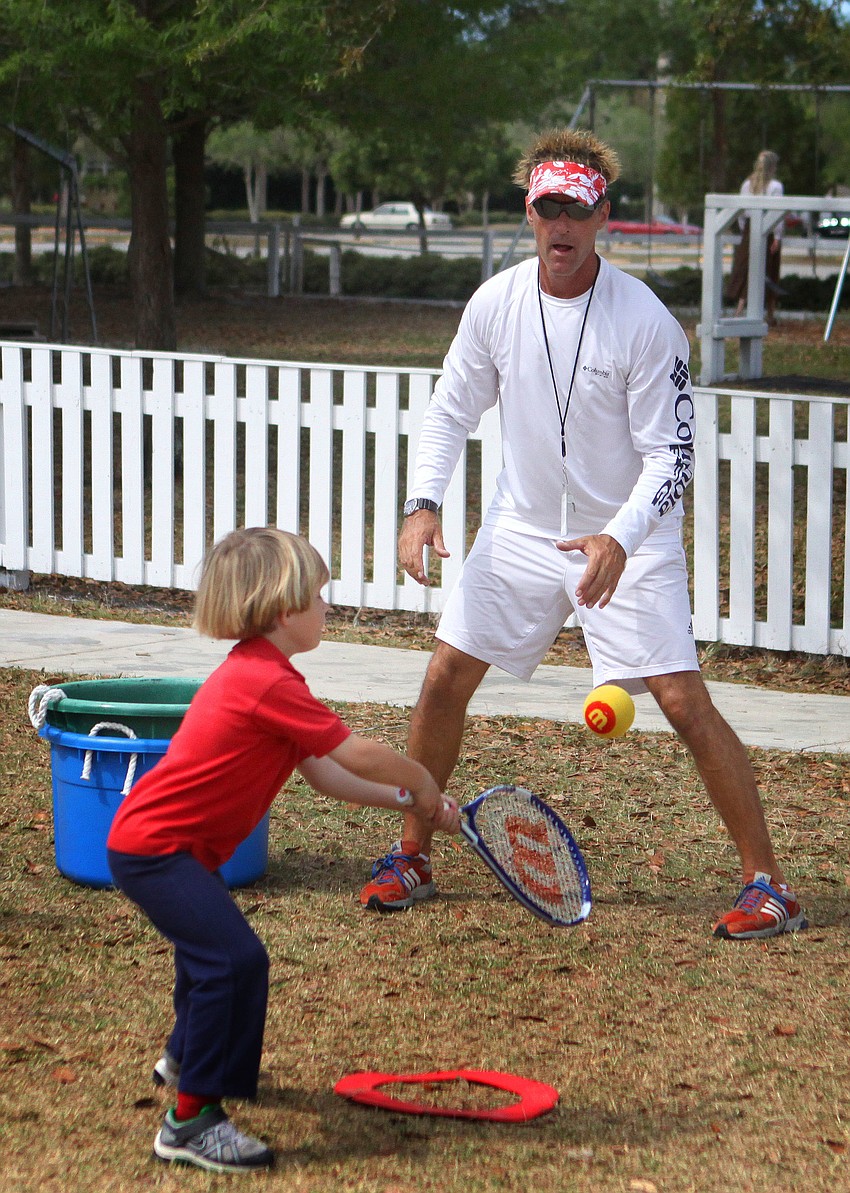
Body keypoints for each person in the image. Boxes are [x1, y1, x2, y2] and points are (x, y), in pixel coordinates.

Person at [359, 128, 806, 944]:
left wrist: (621, 540)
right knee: (443, 676)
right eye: (547, 209)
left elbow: (672, 458)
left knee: (680, 700)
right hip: (522, 529)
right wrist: (423, 504)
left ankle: (770, 883)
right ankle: (412, 854)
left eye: (577, 209)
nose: (561, 225)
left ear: (605, 214)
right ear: (530, 214)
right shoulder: (495, 303)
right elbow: (449, 409)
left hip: (628, 537)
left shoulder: (645, 322)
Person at [107, 527, 458, 1174]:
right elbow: (355, 754)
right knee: (230, 960)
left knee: (213, 957)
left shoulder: (262, 675)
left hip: (168, 846)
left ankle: (188, 1059)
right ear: (281, 610)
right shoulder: (267, 683)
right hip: (157, 848)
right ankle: (190, 1121)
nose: (328, 606)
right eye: (319, 596)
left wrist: (408, 807)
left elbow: (325, 774)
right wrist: (422, 779)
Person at [728, 149, 784, 324]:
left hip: (750, 231)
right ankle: (769, 313)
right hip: (767, 230)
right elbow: (778, 213)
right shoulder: (775, 187)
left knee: (748, 269)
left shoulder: (748, 185)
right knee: (767, 270)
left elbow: (742, 213)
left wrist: (745, 230)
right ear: (773, 167)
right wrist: (777, 236)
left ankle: (740, 312)